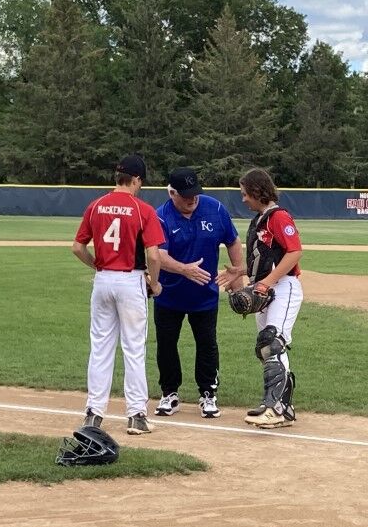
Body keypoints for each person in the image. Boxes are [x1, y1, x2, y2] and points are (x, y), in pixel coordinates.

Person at [71, 154, 165, 435]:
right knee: (134, 348)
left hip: (103, 280)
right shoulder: (143, 209)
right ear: (136, 180)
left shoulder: (96, 205)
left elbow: (77, 247)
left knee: (100, 348)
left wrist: (97, 265)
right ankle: (136, 416)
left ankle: (93, 414)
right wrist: (154, 282)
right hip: (130, 279)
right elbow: (154, 254)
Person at [152, 166, 244, 419]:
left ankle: (208, 394)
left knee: (207, 344)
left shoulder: (214, 208)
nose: (193, 199)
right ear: (172, 193)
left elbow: (233, 240)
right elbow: (159, 255)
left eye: (195, 193)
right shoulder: (161, 217)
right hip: (169, 295)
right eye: (185, 194)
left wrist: (237, 276)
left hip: (205, 297)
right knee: (167, 345)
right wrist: (184, 270)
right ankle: (169, 393)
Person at [218, 167, 304, 429]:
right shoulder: (260, 219)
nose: (243, 199)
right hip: (266, 289)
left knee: (272, 342)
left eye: (245, 193)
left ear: (258, 191)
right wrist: (241, 272)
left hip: (283, 287)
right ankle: (280, 406)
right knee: (267, 348)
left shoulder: (278, 217)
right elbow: (267, 259)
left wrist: (266, 282)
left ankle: (275, 408)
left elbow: (294, 253)